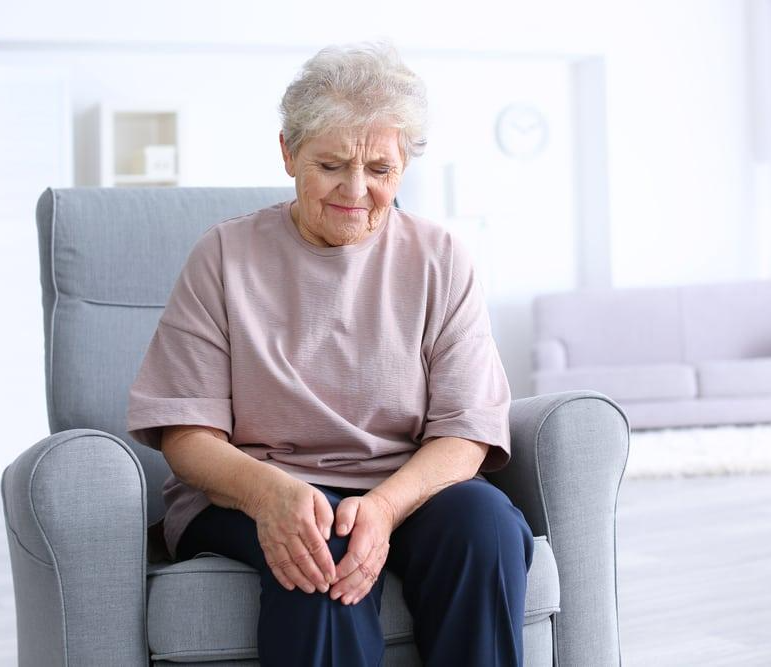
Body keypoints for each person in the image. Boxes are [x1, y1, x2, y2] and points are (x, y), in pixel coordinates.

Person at [126, 41, 534, 667]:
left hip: (402, 485)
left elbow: (466, 432)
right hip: (259, 484)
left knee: (487, 525)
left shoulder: (440, 258)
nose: (356, 190)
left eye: (380, 169)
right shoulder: (224, 257)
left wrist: (385, 505)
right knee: (317, 554)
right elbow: (187, 434)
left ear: (405, 165)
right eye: (332, 164)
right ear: (288, 151)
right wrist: (271, 496)